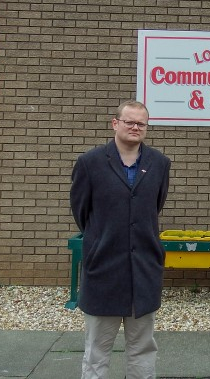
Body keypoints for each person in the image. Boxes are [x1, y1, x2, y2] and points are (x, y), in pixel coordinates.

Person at [70, 100, 171, 379]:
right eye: (129, 122)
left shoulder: (160, 164)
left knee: (142, 350)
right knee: (96, 352)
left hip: (144, 272)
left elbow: (153, 207)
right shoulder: (89, 163)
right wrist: (104, 238)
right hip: (103, 270)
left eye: (141, 123)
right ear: (115, 123)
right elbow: (82, 213)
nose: (135, 127)